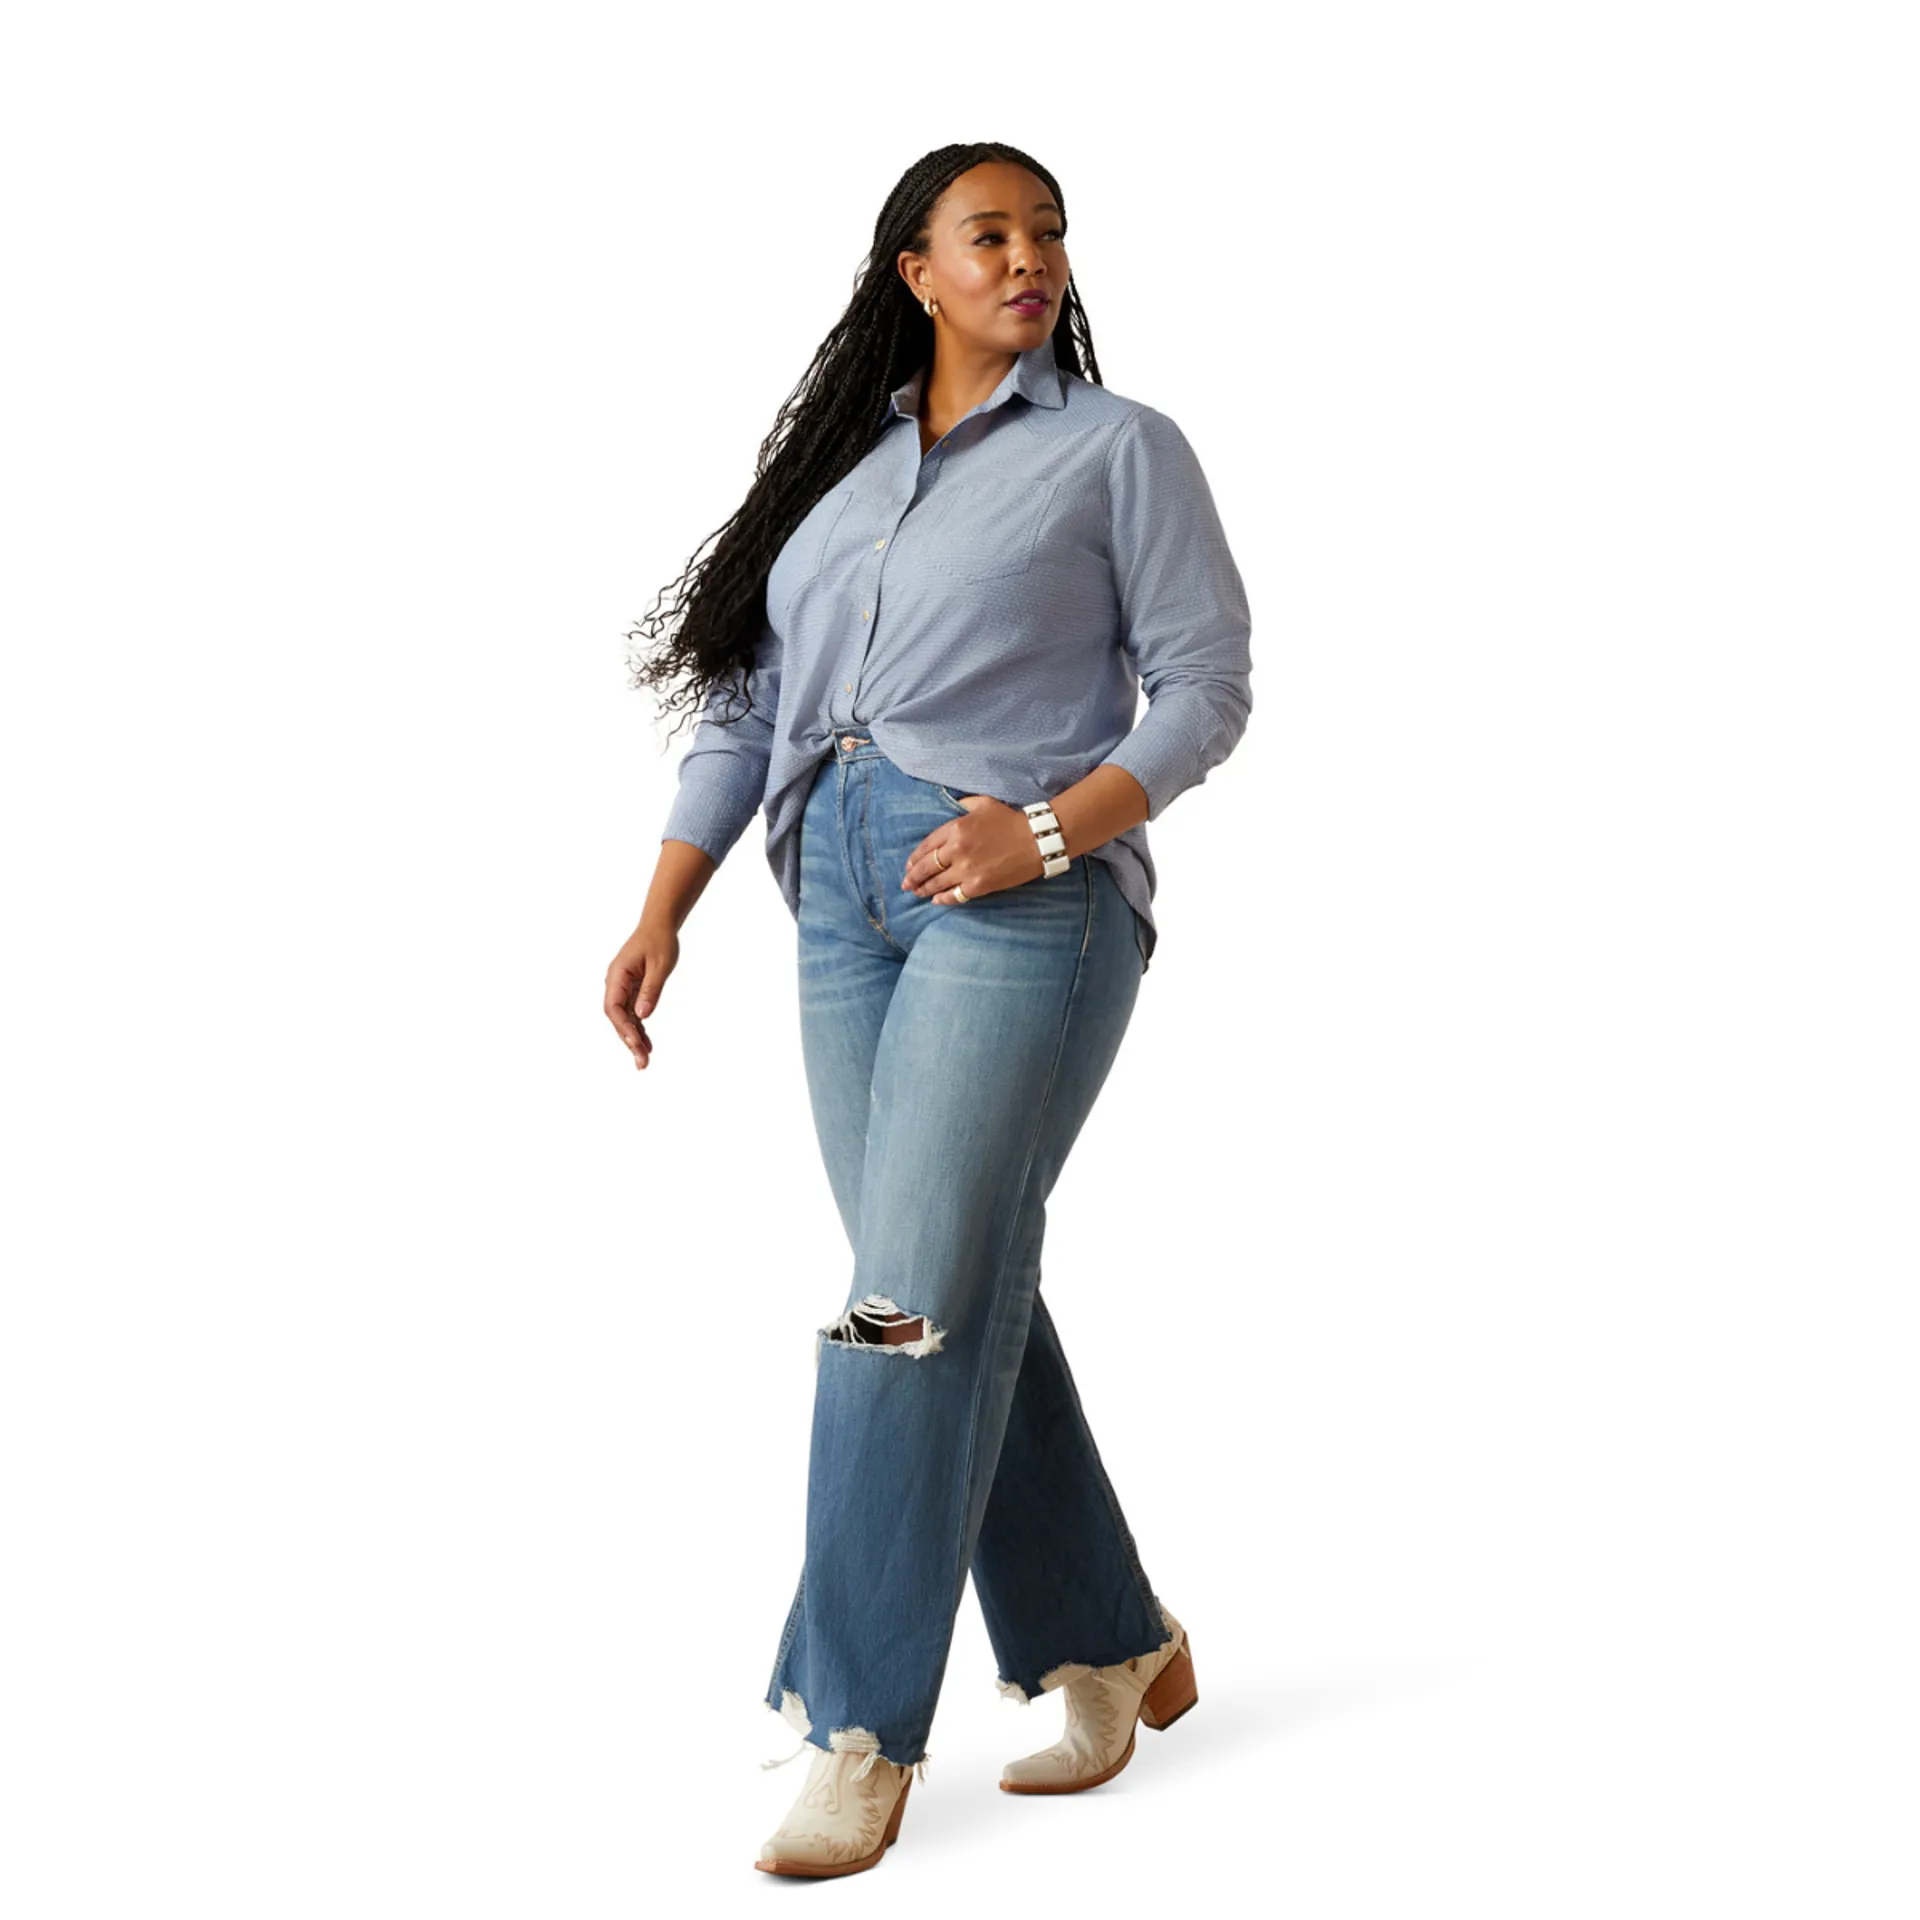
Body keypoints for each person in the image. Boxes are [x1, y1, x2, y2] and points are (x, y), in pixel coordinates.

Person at [607, 142, 1252, 1879]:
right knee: (951, 1287)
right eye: (991, 235)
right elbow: (749, 709)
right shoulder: (837, 478)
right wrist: (664, 905)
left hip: (1024, 899)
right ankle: (1112, 1641)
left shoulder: (1120, 449)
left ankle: (856, 1726)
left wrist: (1041, 829)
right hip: (837, 904)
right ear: (917, 270)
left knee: (896, 1309)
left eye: (1049, 233)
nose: (1029, 257)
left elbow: (1206, 688)